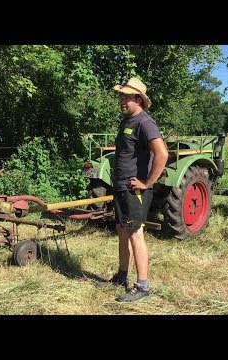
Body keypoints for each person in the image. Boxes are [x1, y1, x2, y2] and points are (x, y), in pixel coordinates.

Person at [97, 77, 168, 302]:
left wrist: (147, 183)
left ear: (138, 99)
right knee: (122, 231)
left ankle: (143, 287)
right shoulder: (126, 121)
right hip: (121, 187)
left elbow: (162, 154)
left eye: (126, 97)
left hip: (134, 190)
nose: (122, 101)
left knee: (136, 233)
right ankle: (121, 276)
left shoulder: (145, 123)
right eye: (121, 96)